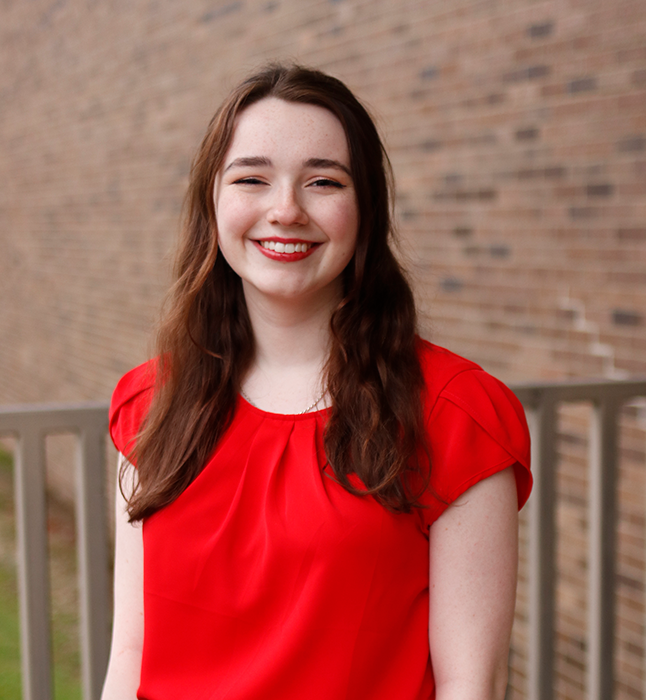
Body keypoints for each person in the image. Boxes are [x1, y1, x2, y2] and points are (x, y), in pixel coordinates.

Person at [101, 63, 532, 700]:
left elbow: (472, 683)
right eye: (252, 178)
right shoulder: (149, 404)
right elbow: (131, 654)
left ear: (365, 210)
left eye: (323, 181)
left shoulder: (455, 414)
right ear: (211, 203)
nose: (286, 210)